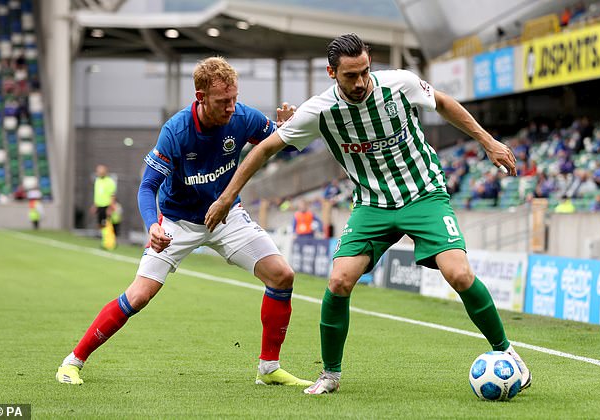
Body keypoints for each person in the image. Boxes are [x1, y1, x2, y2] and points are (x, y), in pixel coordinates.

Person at [205, 33, 531, 395]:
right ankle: (330, 374)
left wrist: (487, 141)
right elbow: (265, 149)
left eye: (365, 72)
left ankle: (507, 352)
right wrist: (226, 197)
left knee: (459, 273)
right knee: (339, 281)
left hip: (423, 194)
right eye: (350, 76)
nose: (360, 82)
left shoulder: (400, 84)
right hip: (371, 205)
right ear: (332, 73)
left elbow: (441, 102)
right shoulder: (320, 110)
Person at [55, 57, 313, 387]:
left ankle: (269, 368)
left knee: (281, 275)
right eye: (223, 101)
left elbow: (284, 148)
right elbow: (148, 186)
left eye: (234, 98)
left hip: (226, 216)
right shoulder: (176, 132)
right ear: (200, 96)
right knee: (139, 296)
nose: (231, 107)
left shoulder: (243, 116)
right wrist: (153, 225)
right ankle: (72, 362)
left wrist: (289, 131)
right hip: (177, 222)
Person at [91, 164, 117, 229]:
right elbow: (97, 194)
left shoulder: (109, 181)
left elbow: (112, 195)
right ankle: (103, 237)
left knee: (107, 224)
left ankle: (108, 238)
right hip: (99, 206)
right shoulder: (97, 181)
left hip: (107, 206)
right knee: (100, 224)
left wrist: (111, 207)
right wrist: (95, 205)